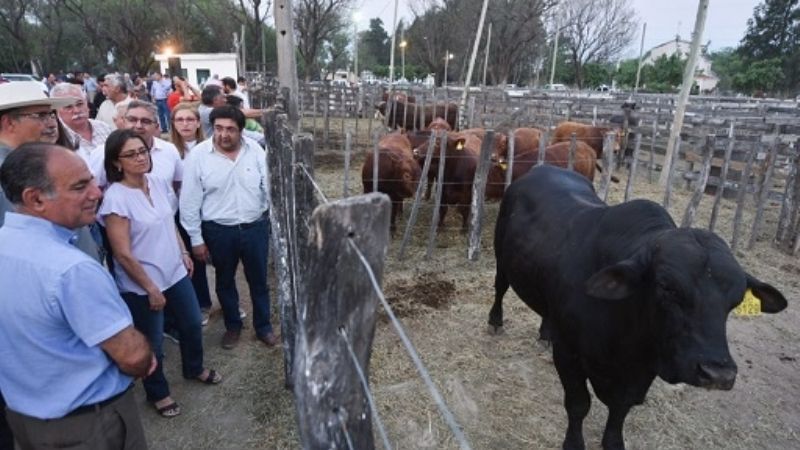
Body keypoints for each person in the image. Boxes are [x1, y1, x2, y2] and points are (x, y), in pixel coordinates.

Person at [0, 143, 155, 449]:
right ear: (36, 198)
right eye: (80, 186)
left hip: (23, 420)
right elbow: (133, 356)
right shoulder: (71, 270)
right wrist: (145, 356)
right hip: (89, 425)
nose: (96, 193)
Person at [98, 129, 222, 418]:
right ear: (116, 163)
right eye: (131, 154)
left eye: (142, 151)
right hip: (143, 284)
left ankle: (194, 368)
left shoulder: (156, 182)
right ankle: (158, 392)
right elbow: (123, 253)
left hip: (175, 272)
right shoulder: (116, 199)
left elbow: (169, 223)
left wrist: (182, 252)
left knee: (192, 324)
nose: (140, 158)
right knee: (152, 341)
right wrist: (150, 288)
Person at [180, 106, 278, 349]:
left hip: (255, 227)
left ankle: (263, 327)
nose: (224, 135)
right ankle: (233, 326)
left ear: (241, 131)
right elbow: (189, 200)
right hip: (218, 230)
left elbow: (268, 185)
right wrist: (196, 239)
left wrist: (268, 215)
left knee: (259, 280)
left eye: (231, 130)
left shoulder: (255, 150)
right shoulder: (199, 156)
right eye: (219, 128)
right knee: (224, 280)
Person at [169, 103, 213, 324]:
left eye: (189, 119)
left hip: (210, 210)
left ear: (198, 122)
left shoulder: (209, 148)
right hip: (181, 213)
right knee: (194, 258)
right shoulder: (170, 152)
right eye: (180, 120)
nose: (185, 124)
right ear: (173, 124)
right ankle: (201, 303)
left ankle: (228, 302)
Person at [89, 100, 183, 190]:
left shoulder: (169, 149)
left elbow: (177, 185)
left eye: (145, 121)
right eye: (132, 120)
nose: (138, 126)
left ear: (156, 126)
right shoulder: (104, 152)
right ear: (124, 122)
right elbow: (95, 189)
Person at [51, 82, 113, 164]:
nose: (76, 110)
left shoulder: (104, 127)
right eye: (68, 107)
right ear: (56, 111)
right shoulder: (56, 138)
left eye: (80, 104)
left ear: (87, 104)